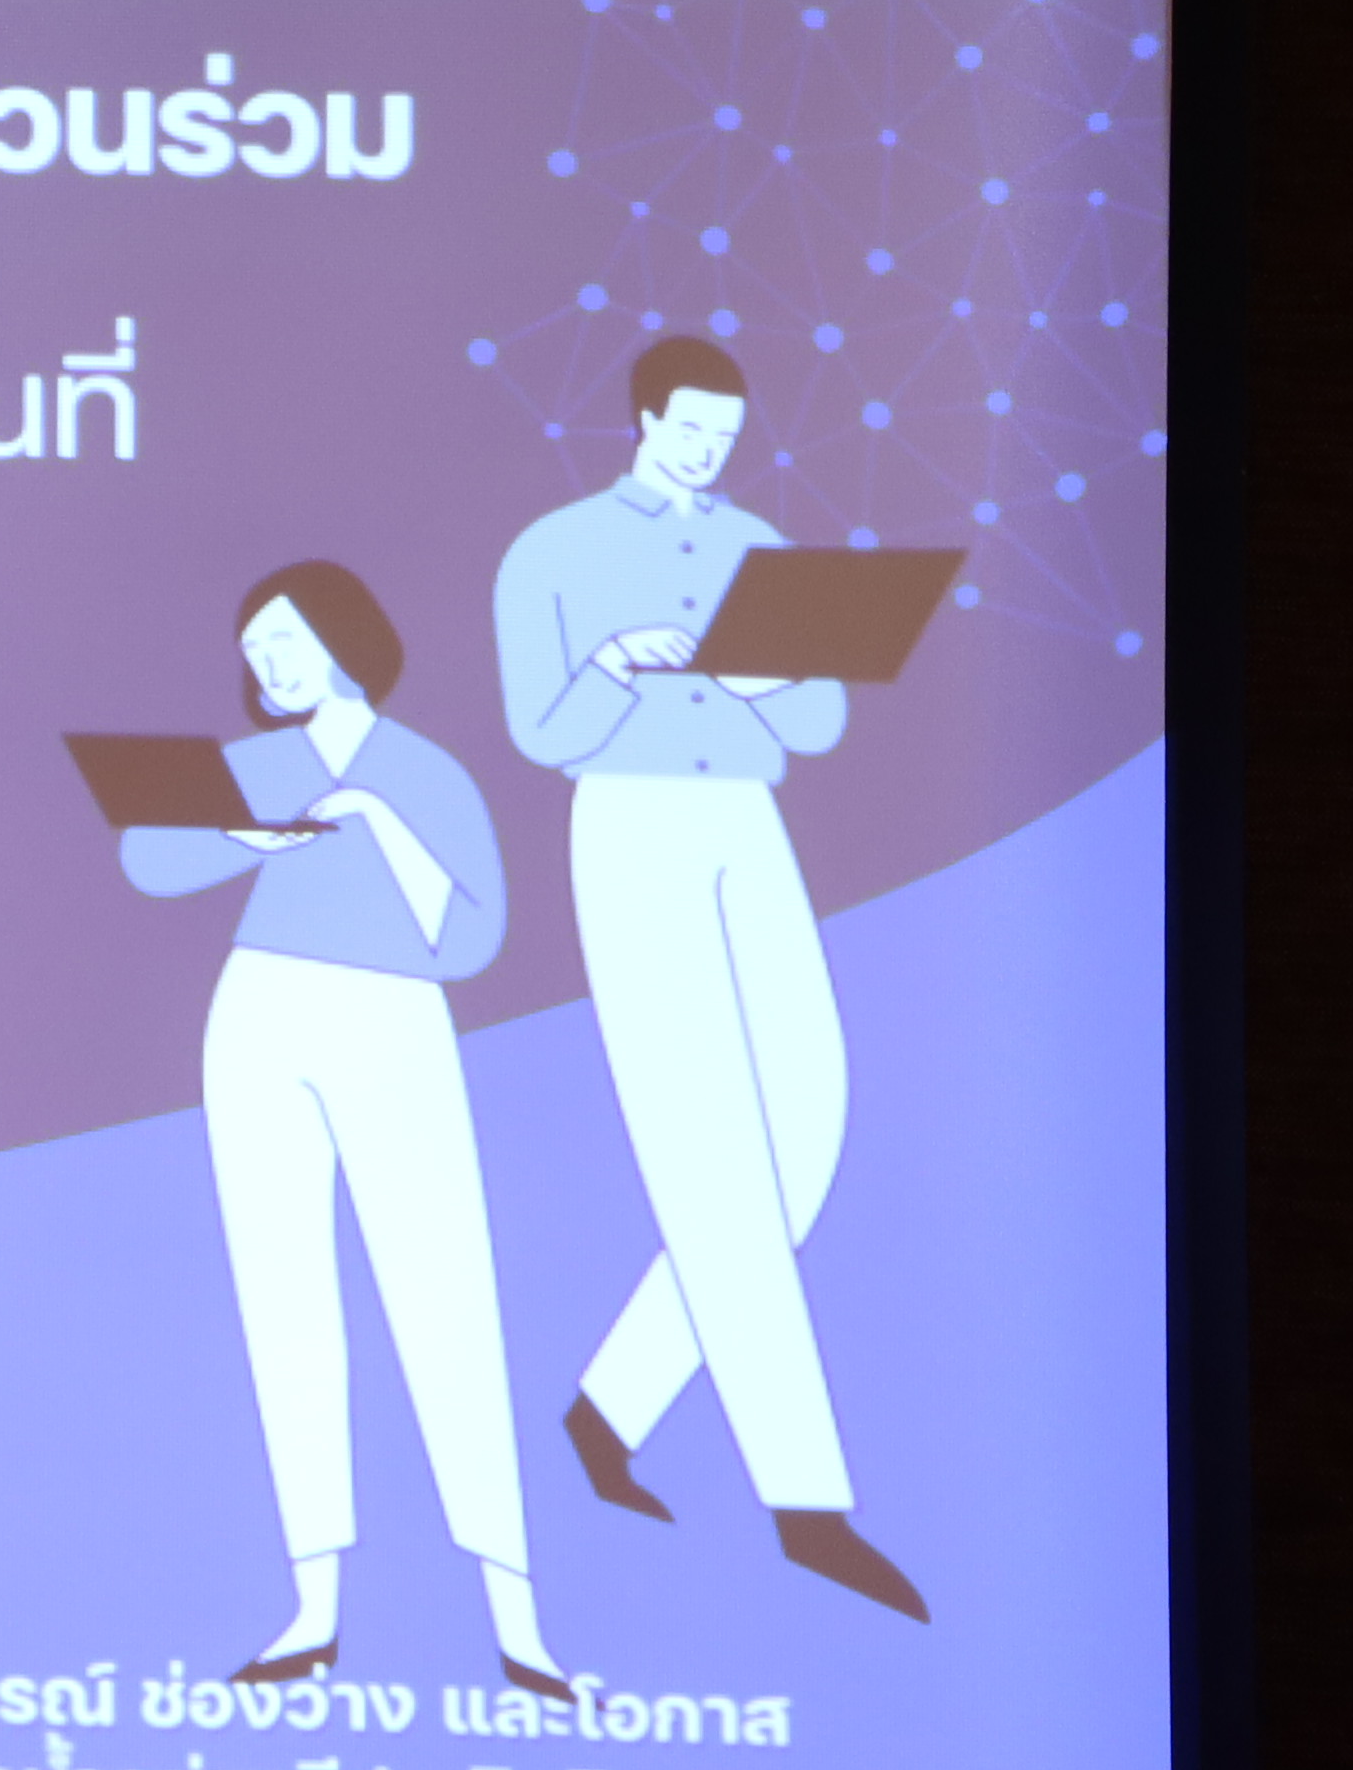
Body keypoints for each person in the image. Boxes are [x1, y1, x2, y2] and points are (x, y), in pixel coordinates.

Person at [491, 335, 923, 1619]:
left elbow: (822, 721)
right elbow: (540, 730)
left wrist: (764, 676)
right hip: (629, 828)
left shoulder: (758, 545)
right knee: (709, 1157)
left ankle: (608, 1407)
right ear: (640, 419)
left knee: (805, 1132)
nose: (707, 455)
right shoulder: (552, 550)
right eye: (689, 431)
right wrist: (613, 666)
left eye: (725, 439)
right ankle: (808, 1503)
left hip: (747, 819)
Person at [116, 562, 563, 1697]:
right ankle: (312, 1611)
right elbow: (149, 856)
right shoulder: (256, 764)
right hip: (259, 1014)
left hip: (393, 1019)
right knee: (285, 1302)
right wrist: (248, 841)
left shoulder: (425, 769)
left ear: (343, 638)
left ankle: (517, 1621)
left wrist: (373, 819)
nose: (266, 663)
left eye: (285, 638)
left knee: (443, 1292)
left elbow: (471, 940)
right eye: (253, 648)